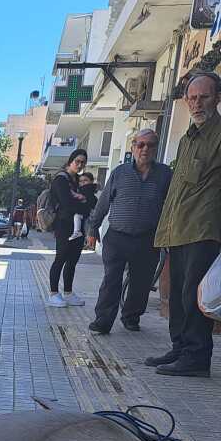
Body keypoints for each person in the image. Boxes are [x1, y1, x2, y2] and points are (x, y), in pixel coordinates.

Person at [149, 72, 221, 377]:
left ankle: (195, 357)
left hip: (203, 229)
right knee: (178, 293)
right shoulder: (187, 139)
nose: (197, 103)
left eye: (204, 96)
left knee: (194, 295)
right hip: (177, 228)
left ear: (217, 98)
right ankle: (180, 348)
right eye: (192, 97)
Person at [87, 130, 172, 335]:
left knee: (141, 282)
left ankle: (131, 317)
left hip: (147, 238)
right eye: (141, 144)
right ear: (133, 147)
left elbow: (171, 207)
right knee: (111, 280)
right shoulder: (119, 173)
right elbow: (103, 202)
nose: (145, 149)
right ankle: (103, 321)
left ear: (156, 149)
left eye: (150, 145)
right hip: (117, 237)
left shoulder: (165, 175)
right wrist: (93, 229)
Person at [47, 148, 88, 307]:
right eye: (77, 161)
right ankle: (53, 293)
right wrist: (82, 202)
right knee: (61, 257)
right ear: (70, 161)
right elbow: (67, 203)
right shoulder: (61, 179)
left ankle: (68, 293)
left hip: (78, 225)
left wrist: (82, 203)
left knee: (73, 260)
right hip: (63, 225)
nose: (79, 164)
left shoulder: (77, 180)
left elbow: (89, 202)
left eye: (83, 162)